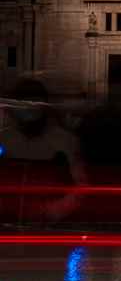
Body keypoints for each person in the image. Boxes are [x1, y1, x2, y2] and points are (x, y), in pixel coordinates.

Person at [0, 79, 86, 226]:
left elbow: (80, 187)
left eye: (34, 102)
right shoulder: (4, 139)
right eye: (24, 103)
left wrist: (53, 210)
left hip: (50, 227)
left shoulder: (65, 141)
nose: (29, 108)